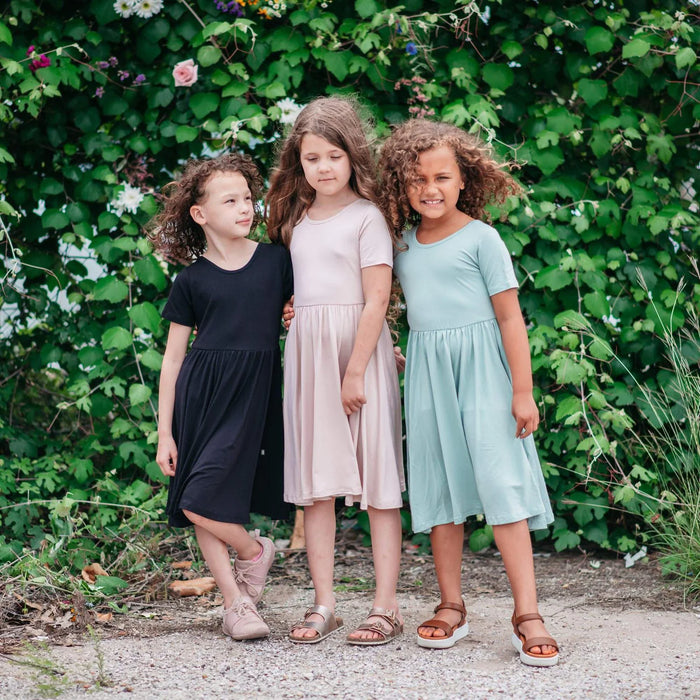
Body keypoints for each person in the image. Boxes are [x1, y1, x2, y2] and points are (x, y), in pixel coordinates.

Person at [378, 119, 559, 666]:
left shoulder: (483, 238)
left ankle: (527, 613)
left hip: (484, 374)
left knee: (502, 485)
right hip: (429, 376)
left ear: (463, 180)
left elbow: (510, 319)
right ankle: (451, 604)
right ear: (401, 184)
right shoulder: (400, 244)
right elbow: (375, 302)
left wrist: (522, 392)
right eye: (417, 179)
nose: (430, 188)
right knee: (440, 488)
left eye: (441, 177)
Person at [266, 96, 405, 645]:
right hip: (309, 357)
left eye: (333, 156)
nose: (323, 167)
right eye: (311, 158)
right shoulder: (296, 220)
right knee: (317, 485)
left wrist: (355, 371)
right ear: (298, 162)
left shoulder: (367, 217)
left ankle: (386, 606)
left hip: (358, 357)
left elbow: (376, 298)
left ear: (352, 156)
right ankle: (324, 603)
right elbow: (305, 286)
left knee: (378, 481)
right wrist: (294, 308)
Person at [150, 153, 293, 641]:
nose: (245, 208)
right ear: (200, 213)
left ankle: (250, 560)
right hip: (202, 395)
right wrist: (164, 432)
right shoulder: (192, 280)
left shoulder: (276, 261)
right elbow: (173, 359)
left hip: (253, 393)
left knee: (209, 498)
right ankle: (237, 598)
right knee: (196, 498)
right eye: (229, 201)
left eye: (248, 198)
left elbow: (312, 304)